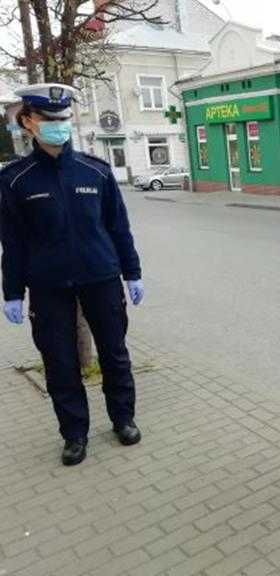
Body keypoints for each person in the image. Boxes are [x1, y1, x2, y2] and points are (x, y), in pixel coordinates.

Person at [0, 83, 145, 466]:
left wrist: (132, 273)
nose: (59, 125)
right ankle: (74, 434)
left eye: (64, 118)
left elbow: (118, 228)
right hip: (48, 287)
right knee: (61, 363)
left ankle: (123, 419)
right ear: (28, 121)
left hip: (101, 278)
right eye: (50, 119)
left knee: (115, 354)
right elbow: (12, 242)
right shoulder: (14, 179)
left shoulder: (94, 170)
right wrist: (12, 291)